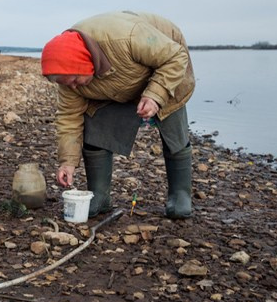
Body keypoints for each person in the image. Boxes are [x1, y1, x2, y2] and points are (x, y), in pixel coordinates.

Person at [40, 11, 196, 219]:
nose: (73, 86)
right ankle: (100, 196)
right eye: (66, 83)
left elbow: (175, 57)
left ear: (86, 63)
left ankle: (180, 196)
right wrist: (67, 162)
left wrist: (155, 96)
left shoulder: (128, 37)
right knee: (94, 121)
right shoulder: (69, 80)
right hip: (118, 81)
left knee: (173, 129)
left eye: (76, 79)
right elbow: (69, 119)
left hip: (166, 61)